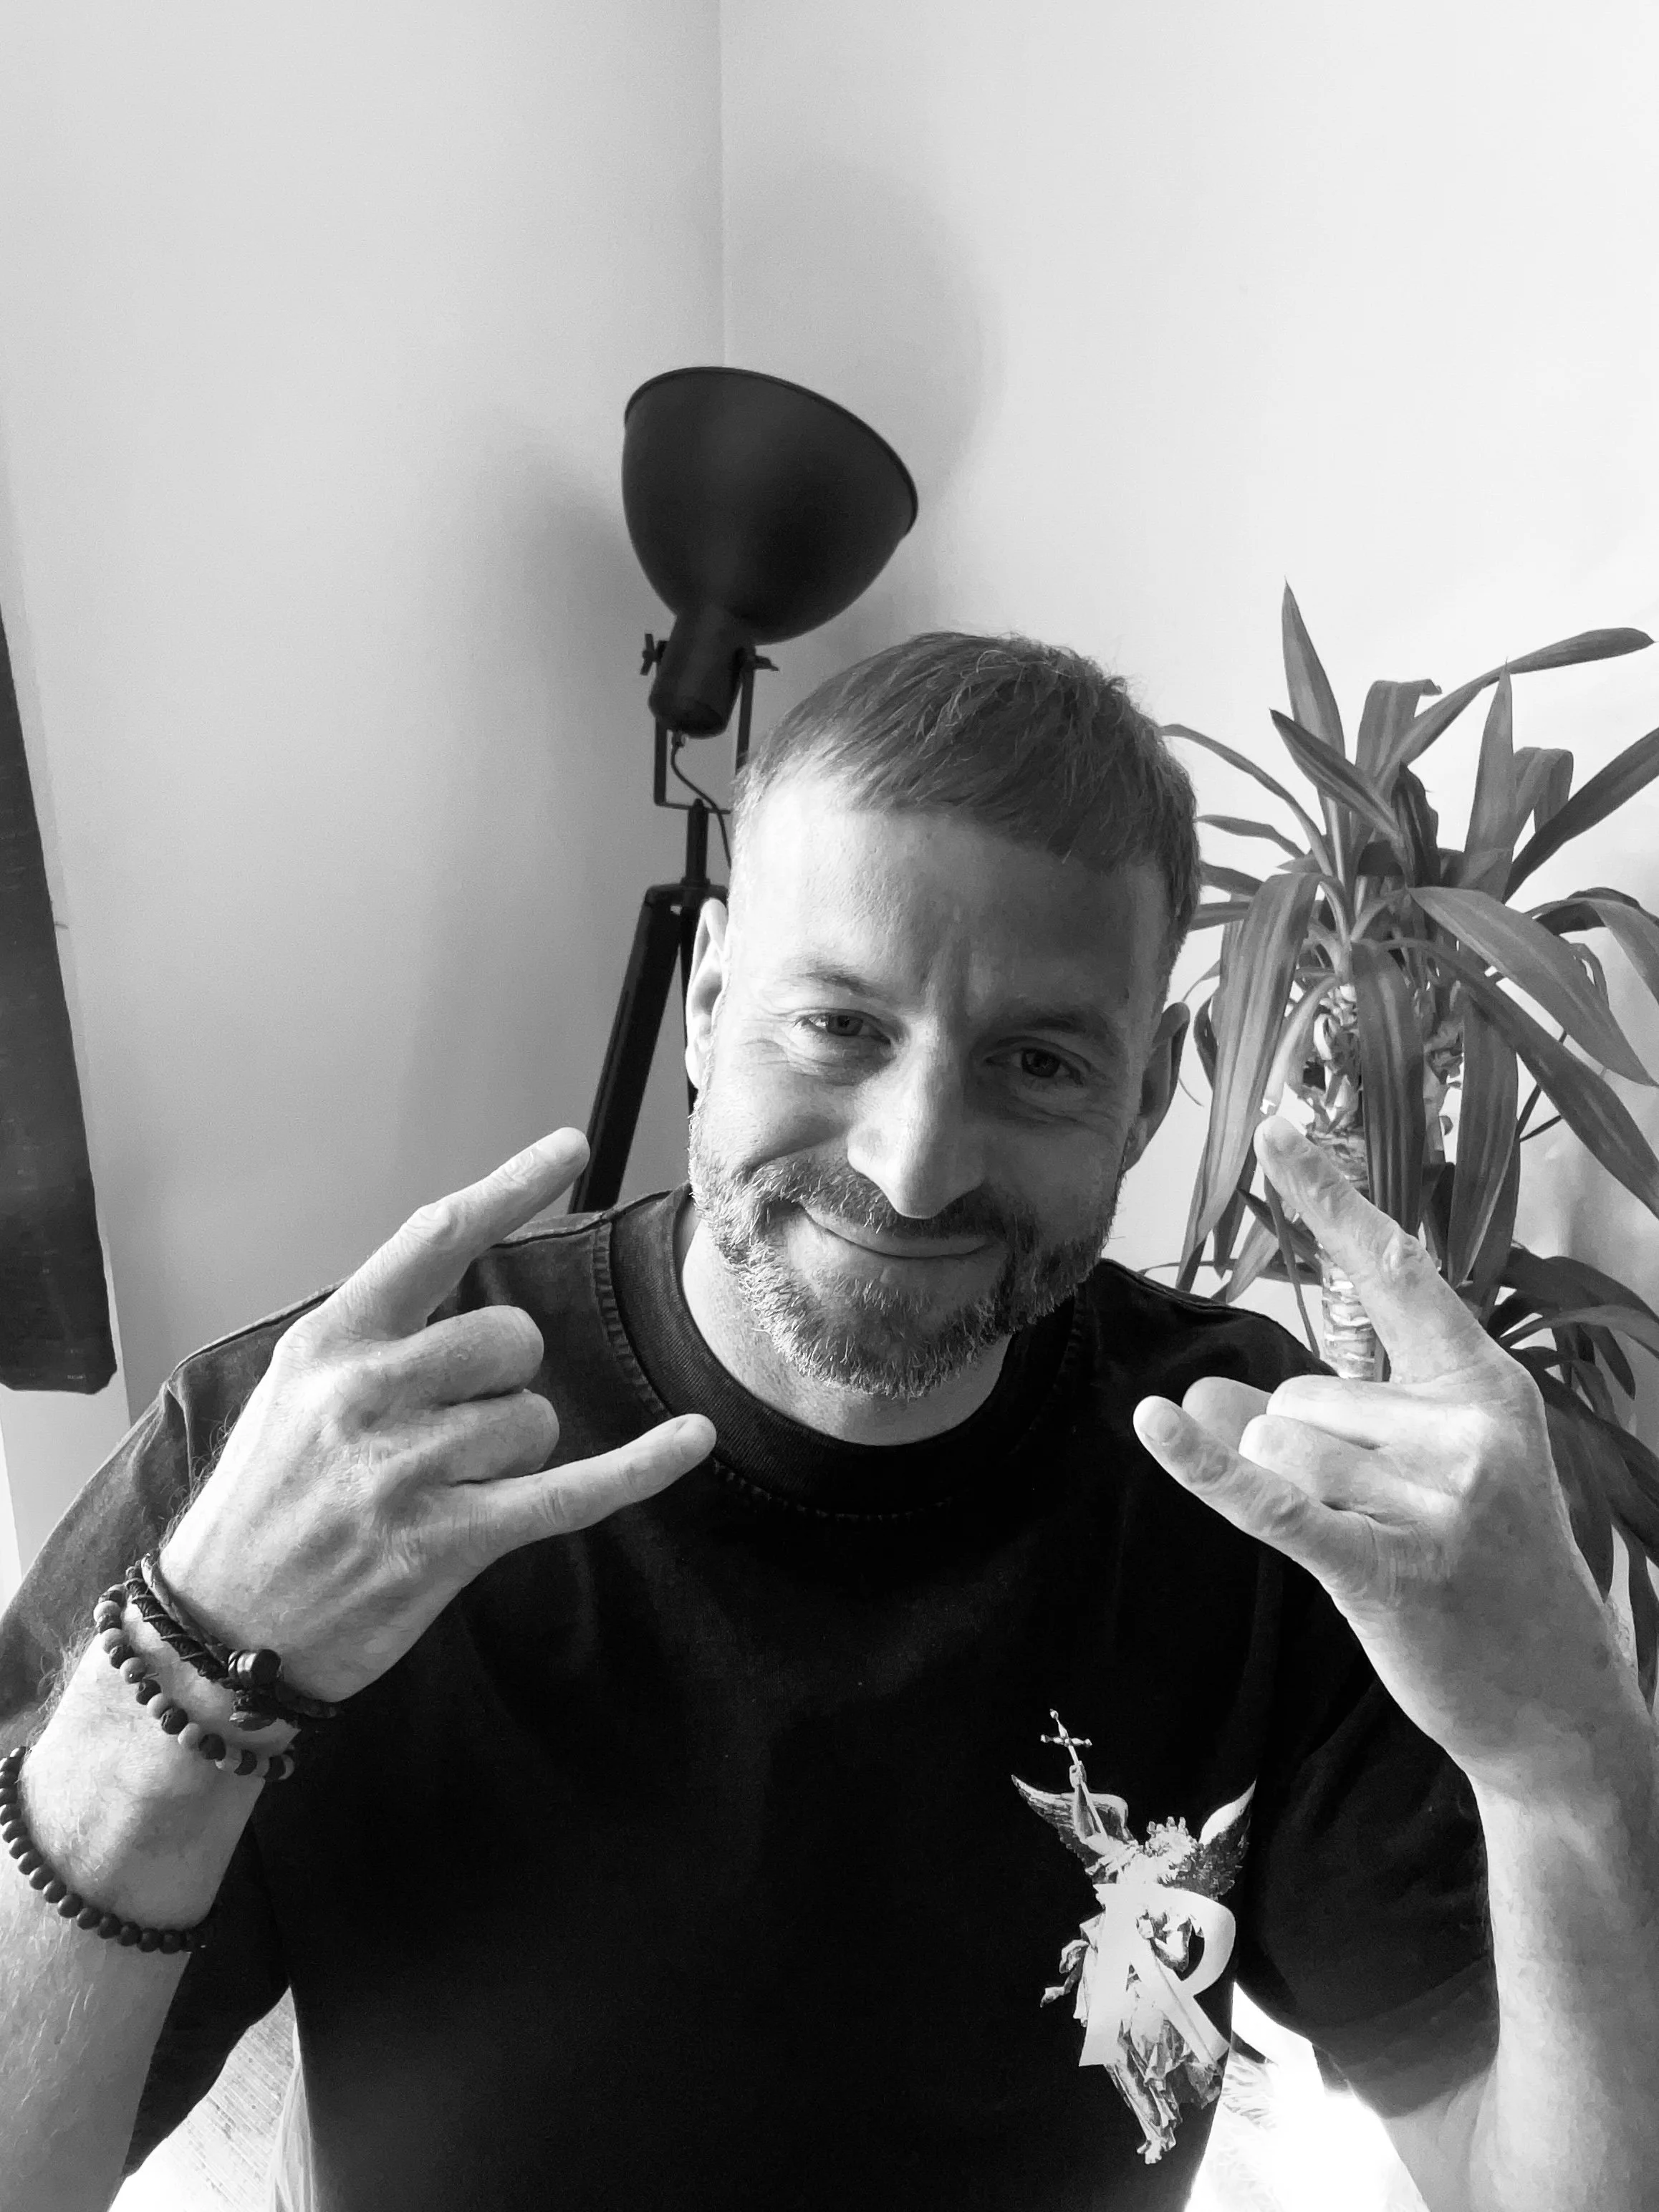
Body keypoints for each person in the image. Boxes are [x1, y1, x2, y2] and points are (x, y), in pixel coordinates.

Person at [1, 633, 1654, 2212]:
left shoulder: (1248, 1495)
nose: (915, 1160)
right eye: (840, 1023)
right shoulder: (320, 1451)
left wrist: (1566, 1761)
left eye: (1039, 1061)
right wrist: (190, 1667)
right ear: (711, 997)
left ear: (1150, 1096)